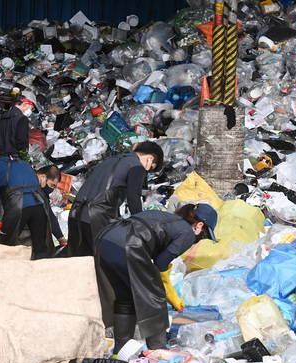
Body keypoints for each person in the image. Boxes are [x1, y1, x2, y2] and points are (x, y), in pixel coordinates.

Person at [94, 203, 218, 351]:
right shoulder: (188, 232)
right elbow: (161, 262)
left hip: (105, 240)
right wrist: (167, 291)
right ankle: (158, 351)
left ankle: (121, 352)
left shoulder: (171, 220)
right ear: (199, 226)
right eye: (204, 234)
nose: (200, 239)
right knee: (155, 298)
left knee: (125, 297)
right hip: (128, 245)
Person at [67, 141, 164, 257]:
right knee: (105, 262)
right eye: (151, 167)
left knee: (80, 263)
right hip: (96, 218)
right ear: (150, 158)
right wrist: (141, 225)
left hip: (76, 213)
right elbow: (133, 197)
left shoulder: (113, 159)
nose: (147, 171)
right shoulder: (137, 165)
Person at [0, 143, 53, 259]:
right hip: (40, 204)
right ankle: (42, 272)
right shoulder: (25, 163)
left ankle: (8, 272)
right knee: (40, 245)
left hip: (18, 205)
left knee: (7, 245)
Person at [0, 97, 35, 163]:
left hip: (1, 158)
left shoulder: (3, 117)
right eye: (31, 108)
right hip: (15, 160)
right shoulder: (22, 119)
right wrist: (27, 160)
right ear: (25, 104)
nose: (31, 111)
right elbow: (20, 142)